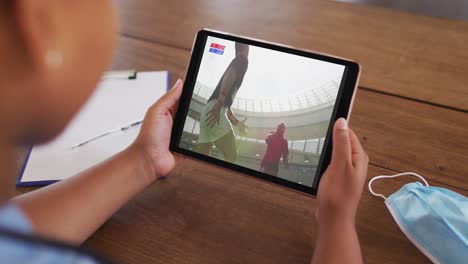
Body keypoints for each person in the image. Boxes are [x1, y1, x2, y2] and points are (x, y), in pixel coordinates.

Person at [0, 2, 368, 264]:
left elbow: (11, 235)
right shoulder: (238, 68)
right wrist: (337, 220)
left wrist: (144, 160)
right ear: (38, 23)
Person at [196, 42, 249, 163]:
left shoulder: (238, 60)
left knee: (199, 161)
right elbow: (230, 73)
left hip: (207, 113)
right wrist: (220, 103)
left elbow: (227, 109)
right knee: (231, 156)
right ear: (246, 46)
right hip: (216, 111)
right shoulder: (243, 59)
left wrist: (237, 122)